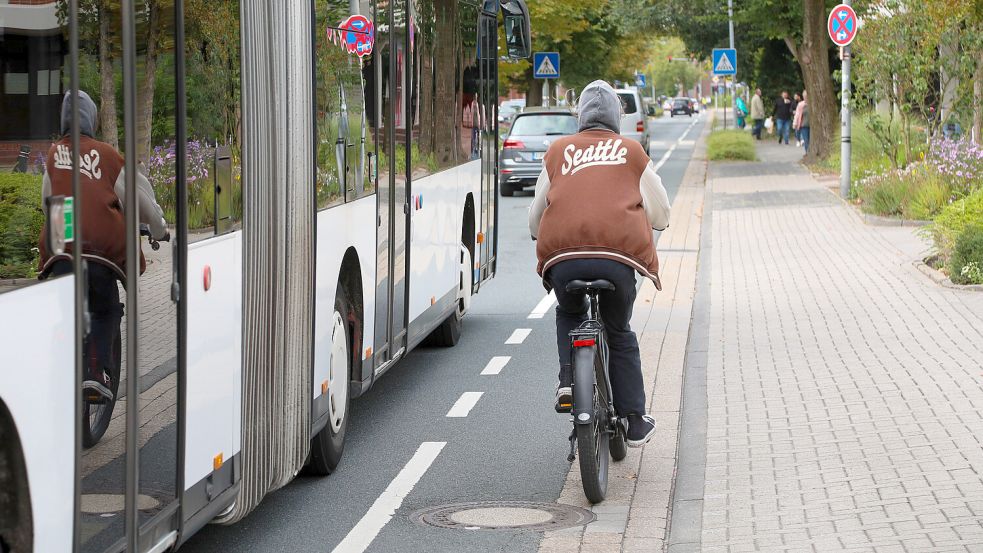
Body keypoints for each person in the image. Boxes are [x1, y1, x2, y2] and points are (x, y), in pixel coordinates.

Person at [528, 80, 670, 448]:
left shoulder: (558, 151)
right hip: (617, 261)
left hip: (565, 261)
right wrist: (656, 222)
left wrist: (538, 231)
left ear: (580, 116)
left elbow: (535, 215)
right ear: (615, 117)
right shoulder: (632, 151)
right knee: (619, 331)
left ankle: (567, 383)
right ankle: (635, 419)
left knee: (568, 312)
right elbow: (662, 211)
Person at [38, 90, 168, 401]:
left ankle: (61, 358)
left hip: (61, 249)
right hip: (97, 252)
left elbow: (48, 201)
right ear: (93, 119)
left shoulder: (54, 155)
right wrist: (159, 229)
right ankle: (95, 372)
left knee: (66, 302)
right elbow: (141, 202)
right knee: (107, 308)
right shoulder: (107, 156)